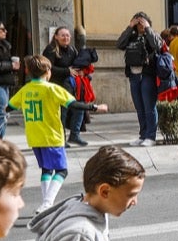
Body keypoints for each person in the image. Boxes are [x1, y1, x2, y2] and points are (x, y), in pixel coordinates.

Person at [9, 55, 106, 211]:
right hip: (52, 136)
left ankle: (46, 203)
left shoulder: (25, 90)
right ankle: (47, 204)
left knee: (47, 169)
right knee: (62, 170)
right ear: (48, 71)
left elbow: (10, 106)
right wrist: (95, 107)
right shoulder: (52, 89)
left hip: (34, 137)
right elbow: (73, 104)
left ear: (28, 72)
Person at [116, 13, 159, 145]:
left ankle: (151, 136)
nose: (140, 25)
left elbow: (157, 45)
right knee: (139, 107)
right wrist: (129, 28)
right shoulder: (131, 36)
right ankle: (143, 135)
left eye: (142, 22)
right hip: (134, 75)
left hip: (147, 74)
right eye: (137, 23)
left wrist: (148, 29)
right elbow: (119, 44)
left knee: (149, 106)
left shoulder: (152, 35)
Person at [43, 27, 90, 145]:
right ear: (56, 37)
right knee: (61, 113)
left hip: (73, 86)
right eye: (63, 35)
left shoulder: (72, 49)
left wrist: (82, 72)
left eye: (68, 36)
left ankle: (75, 135)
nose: (66, 38)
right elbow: (48, 68)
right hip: (57, 86)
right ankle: (61, 138)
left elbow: (77, 65)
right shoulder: (51, 50)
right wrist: (67, 71)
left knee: (79, 108)